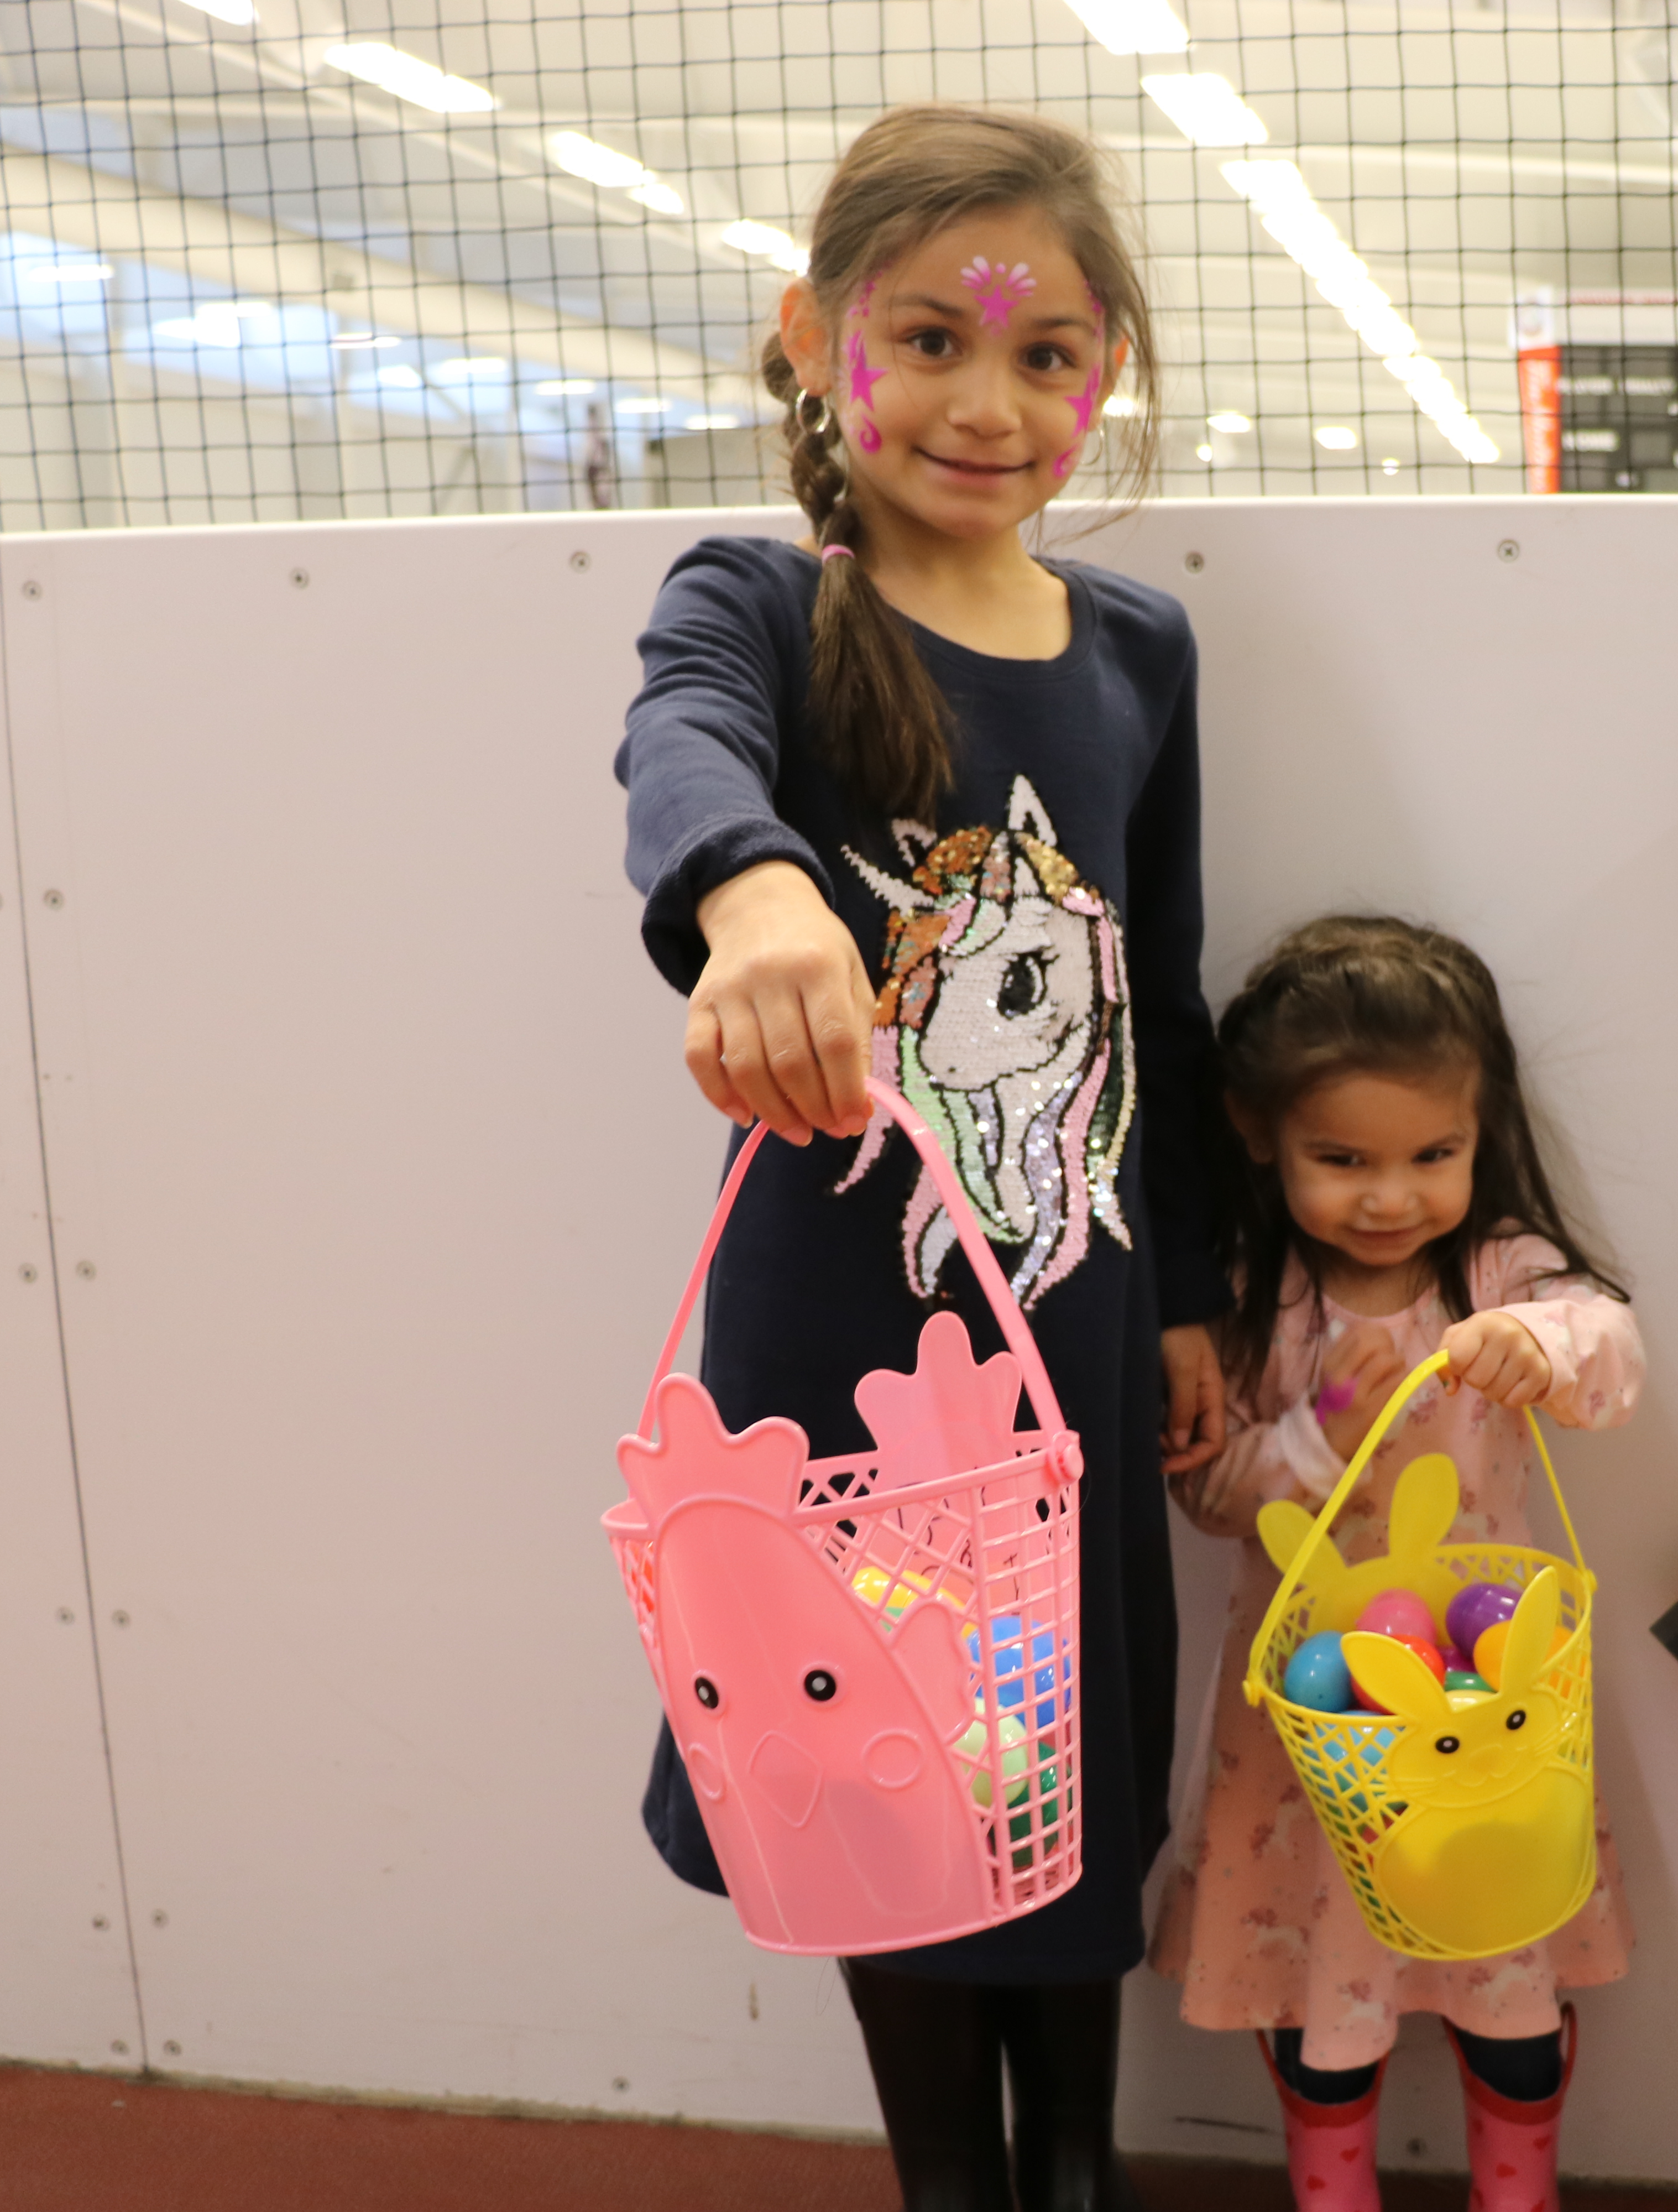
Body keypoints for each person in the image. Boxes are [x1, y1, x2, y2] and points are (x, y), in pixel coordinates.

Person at [613, 103, 1231, 2212]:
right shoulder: (763, 606)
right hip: (845, 1361)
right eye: (933, 338)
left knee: (1064, 1755)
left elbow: (1175, 990)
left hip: (1079, 1326)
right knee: (883, 1772)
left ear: (1106, 380)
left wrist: (1201, 1301)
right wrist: (757, 900)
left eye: (1049, 351)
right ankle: (944, 2181)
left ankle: (1076, 2160)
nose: (992, 399)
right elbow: (677, 742)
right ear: (812, 340)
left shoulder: (1140, 648)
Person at [1151, 916, 1643, 2212]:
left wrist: (1542, 1343)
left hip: (1491, 1720)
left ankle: (1517, 2191)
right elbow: (1204, 1486)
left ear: (1484, 1134)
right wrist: (1310, 1440)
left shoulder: (1494, 1271)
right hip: (1315, 1738)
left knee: (1505, 1984)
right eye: (1343, 1158)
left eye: (1436, 1153)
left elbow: (1611, 1349)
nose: (1392, 1194)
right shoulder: (1259, 1297)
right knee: (1327, 1992)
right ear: (1261, 1134)